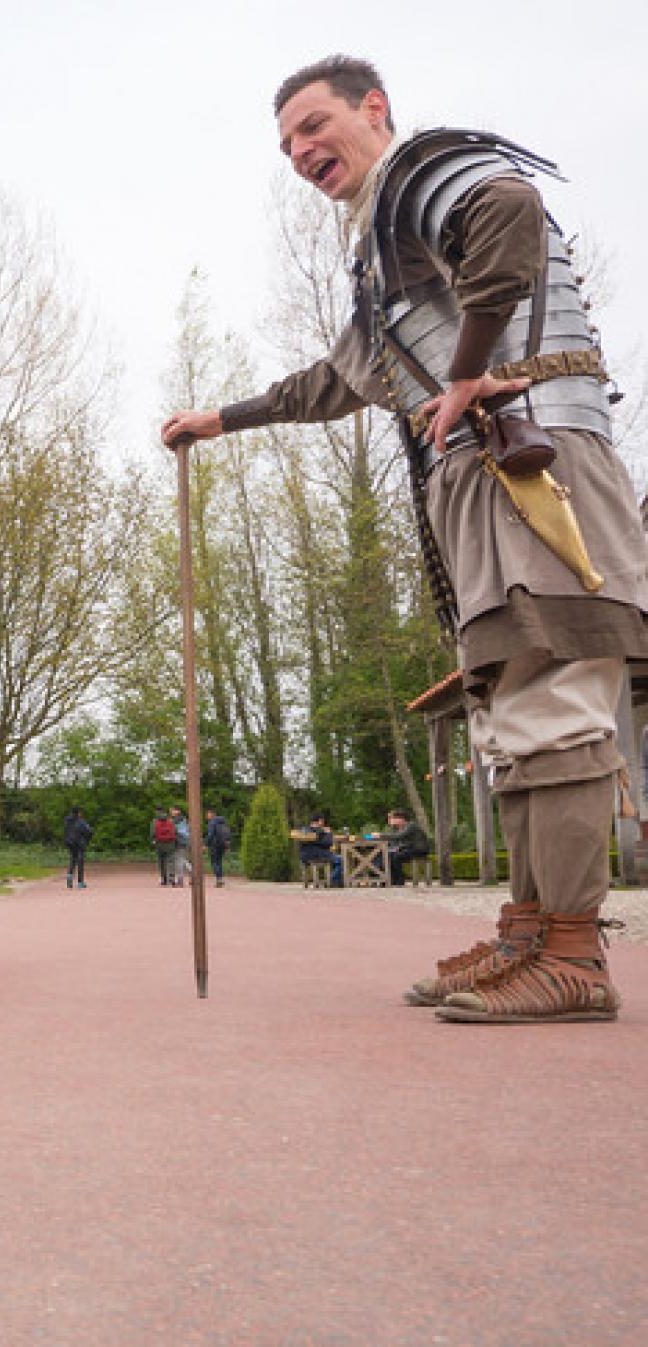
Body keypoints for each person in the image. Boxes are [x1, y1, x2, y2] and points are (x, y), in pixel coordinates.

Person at [161, 55, 648, 1022]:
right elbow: (338, 380)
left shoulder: (423, 170)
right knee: (512, 721)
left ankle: (573, 953)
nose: (301, 151)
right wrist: (220, 418)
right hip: (479, 475)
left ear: (372, 111)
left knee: (555, 700)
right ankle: (527, 932)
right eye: (287, 142)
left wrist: (466, 373)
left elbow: (506, 213)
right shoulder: (383, 252)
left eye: (313, 124)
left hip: (533, 454)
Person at [383, 809, 431, 886]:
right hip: (409, 848)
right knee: (389, 855)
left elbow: (399, 836)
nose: (390, 821)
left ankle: (400, 879)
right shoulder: (397, 828)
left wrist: (380, 835)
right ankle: (392, 879)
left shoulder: (411, 826)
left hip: (419, 850)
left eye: (392, 818)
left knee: (396, 857)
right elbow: (395, 841)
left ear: (400, 819)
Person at [298, 813, 343, 887]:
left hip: (304, 856)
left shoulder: (304, 830)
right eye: (322, 821)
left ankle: (335, 882)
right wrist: (328, 833)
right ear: (319, 821)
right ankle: (330, 880)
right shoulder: (321, 831)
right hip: (318, 856)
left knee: (336, 859)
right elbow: (328, 843)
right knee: (340, 860)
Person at [62, 806, 92, 890]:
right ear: (78, 812)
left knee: (72, 859)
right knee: (80, 861)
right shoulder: (81, 821)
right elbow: (89, 831)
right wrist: (87, 840)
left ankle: (70, 877)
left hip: (70, 843)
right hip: (79, 843)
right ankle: (80, 882)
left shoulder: (67, 821)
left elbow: (65, 831)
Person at [205, 810, 232, 886]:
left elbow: (210, 835)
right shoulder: (223, 822)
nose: (207, 816)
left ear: (213, 814)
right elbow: (228, 834)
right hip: (222, 845)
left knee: (214, 862)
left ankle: (218, 879)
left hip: (214, 845)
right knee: (219, 862)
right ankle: (220, 878)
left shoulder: (212, 823)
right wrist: (227, 846)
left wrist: (206, 844)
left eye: (208, 814)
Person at [151, 809, 177, 887]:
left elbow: (153, 833)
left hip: (160, 844)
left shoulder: (155, 822)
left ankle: (164, 879)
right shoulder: (171, 821)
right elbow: (175, 831)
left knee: (161, 862)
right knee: (171, 861)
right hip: (170, 844)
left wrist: (153, 840)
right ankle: (172, 878)